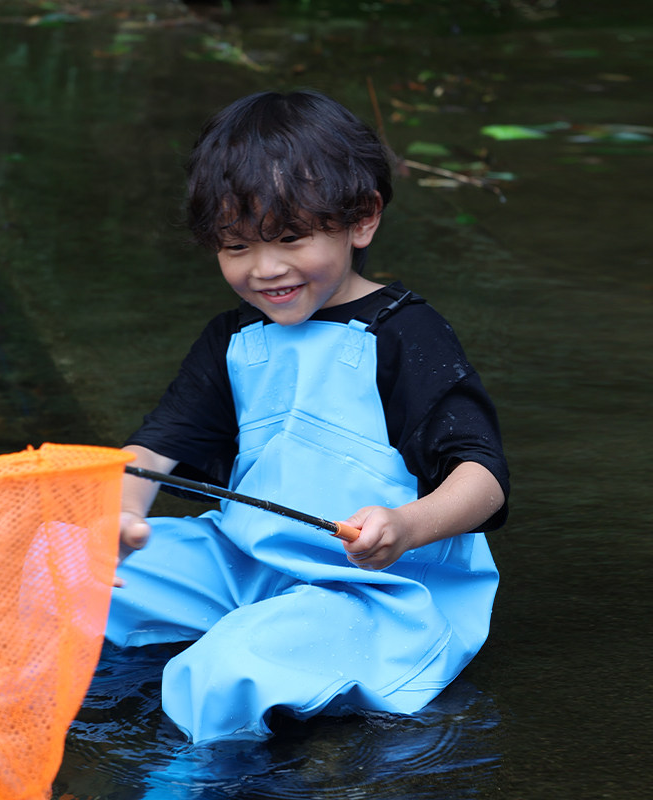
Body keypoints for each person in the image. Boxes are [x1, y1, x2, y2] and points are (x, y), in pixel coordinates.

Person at [106, 89, 509, 745]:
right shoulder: (234, 339)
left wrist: (407, 526)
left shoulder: (406, 335)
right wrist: (121, 515)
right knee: (63, 580)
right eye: (236, 246)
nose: (265, 270)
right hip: (243, 563)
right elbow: (152, 450)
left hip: (374, 589)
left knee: (228, 669)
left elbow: (483, 478)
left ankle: (186, 781)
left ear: (361, 219)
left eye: (290, 238)